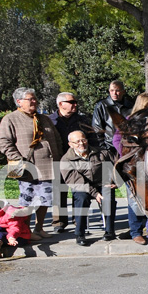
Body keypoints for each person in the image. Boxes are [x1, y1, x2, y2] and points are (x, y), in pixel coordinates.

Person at [0, 87, 64, 239]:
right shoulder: (10, 119)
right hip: (27, 168)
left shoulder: (44, 119)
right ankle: (25, 230)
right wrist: (18, 159)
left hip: (48, 167)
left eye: (35, 98)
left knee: (45, 199)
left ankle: (39, 228)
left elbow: (56, 138)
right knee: (28, 200)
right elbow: (3, 143)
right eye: (30, 99)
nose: (34, 101)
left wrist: (58, 155)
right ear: (19, 102)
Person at [112, 93, 148, 245]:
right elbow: (117, 139)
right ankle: (135, 231)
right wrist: (129, 154)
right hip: (135, 166)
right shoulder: (130, 121)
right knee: (135, 199)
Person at [61, 131, 117, 247]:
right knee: (81, 199)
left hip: (102, 183)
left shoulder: (101, 152)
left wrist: (116, 181)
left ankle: (110, 231)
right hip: (81, 186)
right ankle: (80, 233)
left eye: (83, 140)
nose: (81, 143)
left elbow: (117, 165)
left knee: (108, 197)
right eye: (77, 142)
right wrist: (95, 193)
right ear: (70, 144)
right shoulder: (66, 160)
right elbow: (76, 181)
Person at [49, 92, 94, 233]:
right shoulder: (50, 120)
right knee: (58, 190)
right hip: (57, 159)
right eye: (71, 102)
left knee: (79, 189)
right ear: (61, 104)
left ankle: (78, 220)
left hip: (78, 160)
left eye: (75, 102)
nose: (75, 104)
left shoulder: (83, 120)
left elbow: (91, 138)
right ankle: (59, 222)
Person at [92, 80, 133, 146]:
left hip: (127, 144)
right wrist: (102, 146)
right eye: (112, 90)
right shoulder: (101, 106)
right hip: (109, 145)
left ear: (123, 91)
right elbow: (97, 128)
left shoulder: (130, 106)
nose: (114, 93)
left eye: (117, 90)